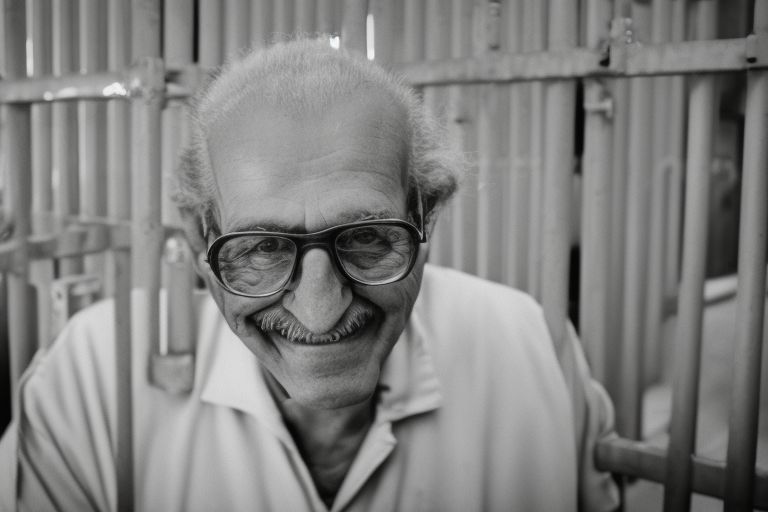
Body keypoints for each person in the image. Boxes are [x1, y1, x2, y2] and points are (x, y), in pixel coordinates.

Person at [0, 38, 619, 511]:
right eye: (263, 247)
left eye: (368, 237)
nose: (319, 309)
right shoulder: (90, 386)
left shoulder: (536, 351)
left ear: (426, 214)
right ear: (199, 238)